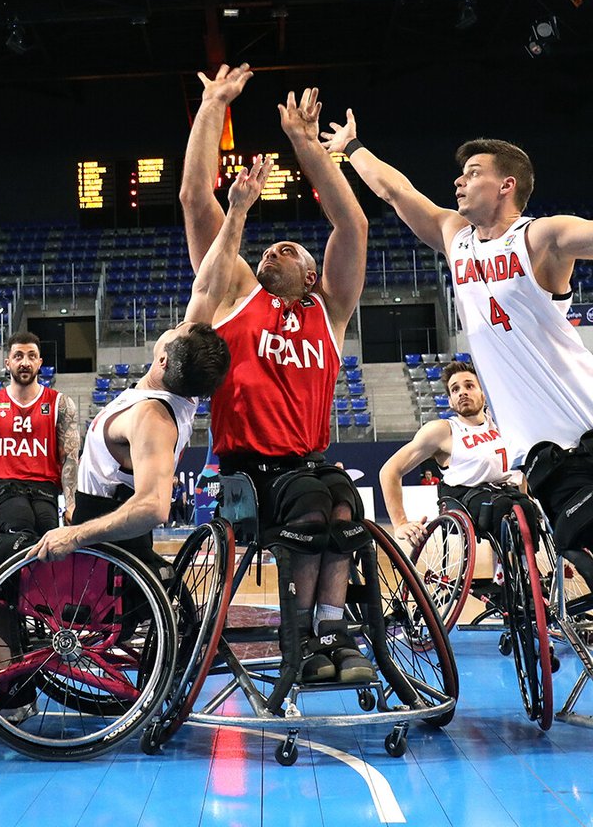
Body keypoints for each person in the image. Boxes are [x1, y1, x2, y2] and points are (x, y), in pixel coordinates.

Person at [179, 65, 372, 684]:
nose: (274, 250)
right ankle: (310, 644)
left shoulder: (329, 311)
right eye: (270, 247)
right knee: (318, 502)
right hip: (248, 472)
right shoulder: (236, 292)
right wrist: (212, 105)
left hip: (309, 464)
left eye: (290, 250)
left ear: (313, 277)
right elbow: (192, 199)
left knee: (343, 500)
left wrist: (307, 147)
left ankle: (333, 636)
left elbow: (353, 225)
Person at [322, 114, 593, 552]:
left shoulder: (541, 236)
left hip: (586, 416)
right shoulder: (456, 238)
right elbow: (396, 191)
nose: (458, 182)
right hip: (545, 449)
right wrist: (353, 148)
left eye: (473, 173)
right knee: (575, 544)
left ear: (507, 185)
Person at [32, 157, 270, 564]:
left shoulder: (151, 419)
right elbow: (211, 284)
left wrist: (74, 535)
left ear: (162, 359)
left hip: (99, 559)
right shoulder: (183, 381)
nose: (179, 323)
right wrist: (237, 211)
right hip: (112, 547)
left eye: (178, 329)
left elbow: (155, 508)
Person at [0, 331, 80, 587]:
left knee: (48, 536)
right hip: (4, 487)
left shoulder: (61, 404)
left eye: (31, 356)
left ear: (40, 362)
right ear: (7, 362)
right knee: (23, 530)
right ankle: (0, 599)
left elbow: (71, 460)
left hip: (44, 491)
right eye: (18, 356)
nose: (25, 362)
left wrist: (72, 504)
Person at [379, 361, 524, 549]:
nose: (462, 392)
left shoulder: (503, 425)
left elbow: (521, 467)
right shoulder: (442, 430)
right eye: (455, 390)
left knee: (526, 509)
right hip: (467, 498)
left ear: (483, 394)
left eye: (469, 386)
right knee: (501, 507)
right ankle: (502, 572)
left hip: (506, 492)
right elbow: (389, 470)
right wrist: (400, 523)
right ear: (450, 401)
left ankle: (527, 572)